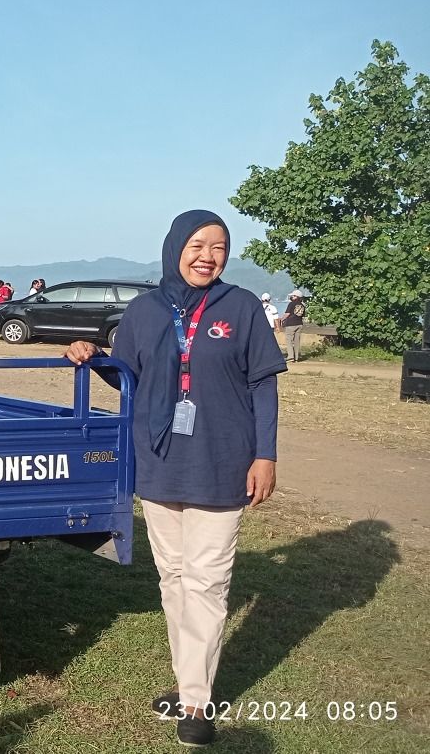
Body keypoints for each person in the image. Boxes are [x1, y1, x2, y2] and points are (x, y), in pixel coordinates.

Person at [63, 209, 285, 748]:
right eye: (198, 244)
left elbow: (262, 386)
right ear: (174, 248)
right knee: (175, 580)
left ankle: (194, 703)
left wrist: (266, 456)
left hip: (222, 460)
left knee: (207, 582)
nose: (208, 255)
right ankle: (192, 682)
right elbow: (132, 381)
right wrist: (94, 359)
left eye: (219, 246)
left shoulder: (242, 307)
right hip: (159, 461)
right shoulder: (144, 310)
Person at [282, 290, 306, 362]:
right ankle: (296, 357)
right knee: (296, 341)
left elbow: (287, 314)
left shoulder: (291, 304)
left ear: (296, 296)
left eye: (293, 296)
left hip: (291, 324)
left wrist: (281, 319)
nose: (291, 297)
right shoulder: (303, 305)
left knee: (289, 340)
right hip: (299, 323)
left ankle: (290, 356)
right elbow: (303, 315)